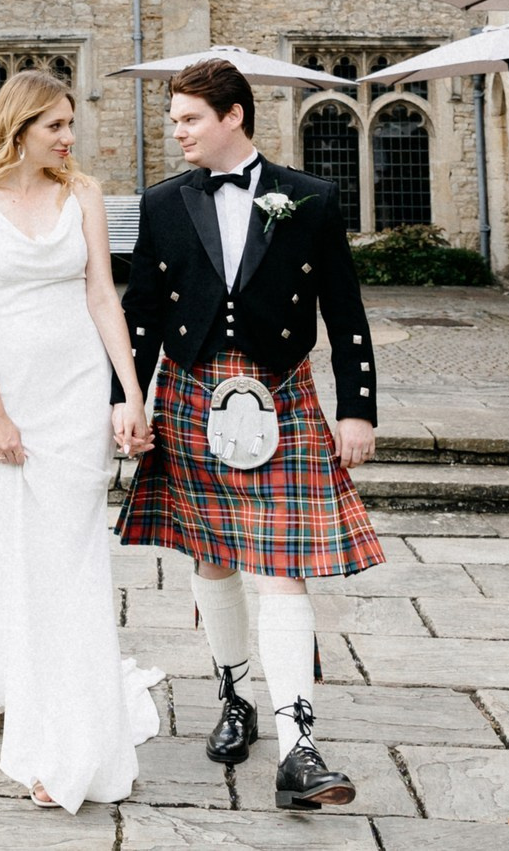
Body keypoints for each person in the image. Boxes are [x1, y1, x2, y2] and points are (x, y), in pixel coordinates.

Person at [114, 56, 385, 811]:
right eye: (174, 119)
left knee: (283, 566)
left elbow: (345, 310)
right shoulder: (163, 202)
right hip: (192, 391)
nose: (178, 131)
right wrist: (125, 399)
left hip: (282, 391)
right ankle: (235, 699)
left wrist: (357, 409)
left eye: (190, 118)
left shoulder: (310, 197)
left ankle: (300, 746)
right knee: (212, 557)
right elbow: (141, 315)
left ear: (233, 115)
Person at [0, 69, 163, 811]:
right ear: (19, 127)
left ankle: (71, 730)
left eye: (70, 123)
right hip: (10, 393)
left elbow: (103, 294)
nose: (68, 136)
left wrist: (130, 393)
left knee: (73, 554)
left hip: (76, 392)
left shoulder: (82, 193)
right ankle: (32, 707)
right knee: (25, 550)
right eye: (55, 124)